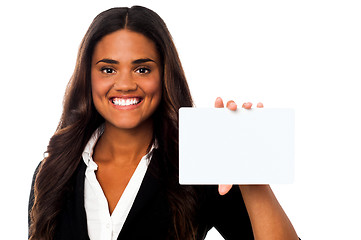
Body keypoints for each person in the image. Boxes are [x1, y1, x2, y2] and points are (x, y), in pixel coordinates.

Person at [28, 6, 299, 240]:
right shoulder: (54, 172)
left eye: (142, 69)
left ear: (164, 75)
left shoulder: (198, 165)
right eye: (108, 69)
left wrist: (251, 176)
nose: (124, 84)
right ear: (88, 78)